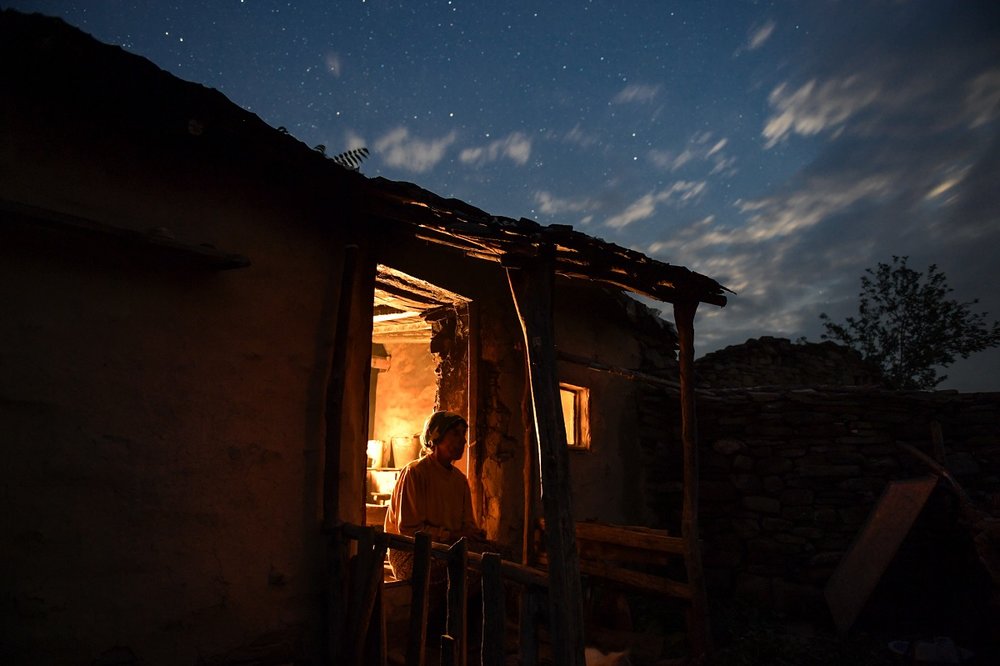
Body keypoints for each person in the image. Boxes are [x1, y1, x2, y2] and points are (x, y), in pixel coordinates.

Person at [383, 410, 486, 581]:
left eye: (463, 434)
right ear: (436, 438)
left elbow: (467, 525)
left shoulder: (459, 481)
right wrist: (451, 535)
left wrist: (473, 534)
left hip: (445, 547)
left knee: (500, 557)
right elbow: (409, 530)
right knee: (466, 567)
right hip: (410, 552)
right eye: (455, 434)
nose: (463, 440)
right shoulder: (415, 473)